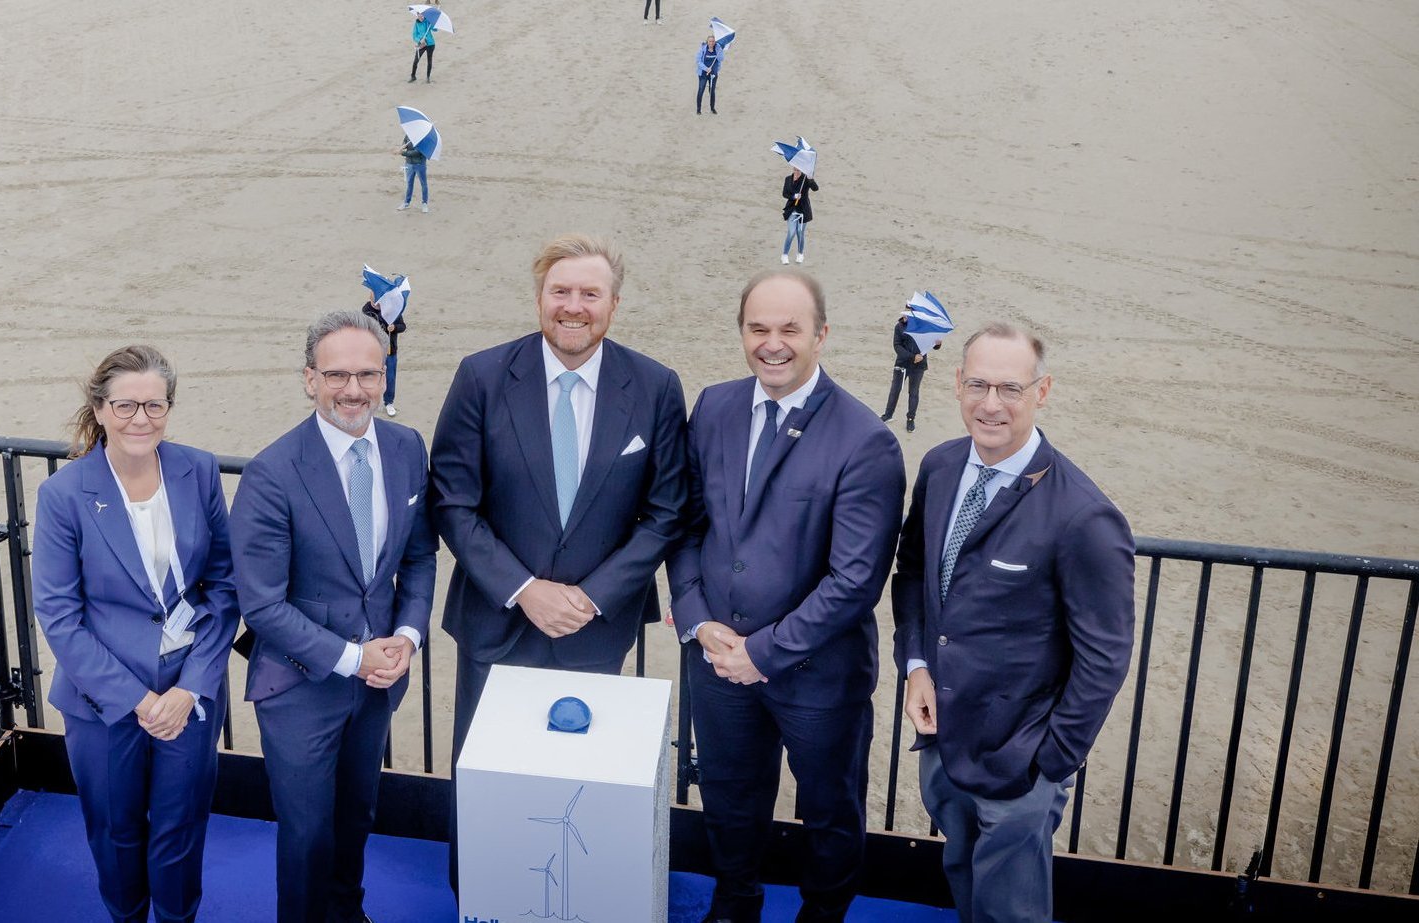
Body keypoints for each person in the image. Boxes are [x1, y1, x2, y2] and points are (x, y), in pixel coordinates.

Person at [429, 233, 688, 876]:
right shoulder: (482, 376)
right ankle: (482, 896)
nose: (574, 306)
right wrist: (525, 589)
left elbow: (666, 512)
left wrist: (592, 596)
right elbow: (453, 503)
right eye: (561, 291)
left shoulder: (655, 386)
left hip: (595, 631)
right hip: (497, 624)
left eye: (590, 293)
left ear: (614, 304)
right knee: (490, 779)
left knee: (580, 785)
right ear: (539, 297)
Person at [667, 271, 906, 923]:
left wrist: (763, 652)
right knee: (727, 795)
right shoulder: (713, 407)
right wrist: (694, 617)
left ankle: (823, 914)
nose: (773, 344)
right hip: (717, 661)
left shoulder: (866, 441)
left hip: (818, 676)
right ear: (742, 332)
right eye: (759, 328)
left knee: (830, 810)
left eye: (790, 330)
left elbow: (855, 581)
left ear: (822, 335)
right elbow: (687, 524)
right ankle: (734, 900)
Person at [890, 322, 1135, 923]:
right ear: (956, 383)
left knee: (1011, 910)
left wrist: (1051, 761)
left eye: (1009, 388)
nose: (990, 404)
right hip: (944, 736)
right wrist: (916, 666)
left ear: (1041, 391)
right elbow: (915, 573)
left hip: (1023, 761)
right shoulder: (941, 467)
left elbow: (1105, 656)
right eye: (978, 385)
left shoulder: (1084, 515)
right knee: (965, 877)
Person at [228, 311, 439, 923]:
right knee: (307, 832)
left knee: (357, 815)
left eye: (368, 374)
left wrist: (406, 635)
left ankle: (349, 913)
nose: (353, 389)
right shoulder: (272, 472)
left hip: (376, 684)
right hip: (300, 687)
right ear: (309, 379)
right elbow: (262, 603)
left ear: (385, 377)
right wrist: (353, 657)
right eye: (337, 374)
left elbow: (420, 555)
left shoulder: (406, 448)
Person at [31, 345, 239, 923]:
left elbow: (223, 587)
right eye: (125, 405)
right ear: (99, 409)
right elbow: (59, 616)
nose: (140, 419)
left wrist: (191, 686)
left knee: (181, 827)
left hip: (187, 693)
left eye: (154, 405)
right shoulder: (64, 495)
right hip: (104, 704)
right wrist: (141, 700)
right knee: (117, 833)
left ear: (170, 408)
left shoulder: (197, 470)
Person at [881, 312, 938, 432]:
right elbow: (897, 346)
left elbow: (932, 344)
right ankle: (888, 415)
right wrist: (912, 357)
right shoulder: (899, 326)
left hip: (919, 366)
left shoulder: (924, 326)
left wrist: (938, 344)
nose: (904, 315)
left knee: (913, 392)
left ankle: (910, 420)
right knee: (895, 390)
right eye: (905, 311)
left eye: (908, 312)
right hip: (902, 363)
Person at [361, 297, 407, 418]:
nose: (374, 301)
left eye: (376, 299)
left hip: (390, 350)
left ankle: (389, 403)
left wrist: (394, 328)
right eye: (372, 298)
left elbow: (402, 326)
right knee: (369, 377)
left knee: (390, 377)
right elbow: (365, 327)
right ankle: (368, 401)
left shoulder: (393, 309)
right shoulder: (366, 309)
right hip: (372, 351)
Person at [781, 168, 817, 264]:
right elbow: (784, 194)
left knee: (800, 233)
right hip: (792, 209)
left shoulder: (805, 179)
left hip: (803, 210)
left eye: (799, 170)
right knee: (791, 232)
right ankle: (784, 255)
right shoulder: (788, 179)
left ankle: (800, 254)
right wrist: (794, 196)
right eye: (795, 170)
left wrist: (811, 179)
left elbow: (815, 188)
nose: (797, 172)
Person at [396, 139, 429, 213]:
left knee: (423, 184)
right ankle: (406, 203)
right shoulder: (409, 133)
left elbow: (417, 152)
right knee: (409, 184)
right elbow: (404, 142)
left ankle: (424, 203)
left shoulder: (423, 137)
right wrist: (403, 146)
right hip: (409, 164)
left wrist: (402, 153)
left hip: (420, 164)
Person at [695, 34, 725, 114]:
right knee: (701, 89)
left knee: (712, 91)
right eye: (710, 41)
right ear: (707, 42)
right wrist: (706, 68)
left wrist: (720, 49)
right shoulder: (702, 49)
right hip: (703, 73)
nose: (711, 43)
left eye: (713, 41)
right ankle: (698, 109)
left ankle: (712, 108)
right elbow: (698, 61)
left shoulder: (717, 49)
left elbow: (721, 59)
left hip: (713, 74)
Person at [409, 9, 436, 83]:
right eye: (419, 14)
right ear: (417, 15)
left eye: (422, 14)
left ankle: (428, 77)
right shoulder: (416, 23)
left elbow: (435, 29)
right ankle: (413, 76)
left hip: (430, 44)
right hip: (421, 44)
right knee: (416, 60)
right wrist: (419, 40)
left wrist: (432, 23)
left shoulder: (428, 21)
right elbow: (414, 35)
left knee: (429, 61)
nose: (421, 16)